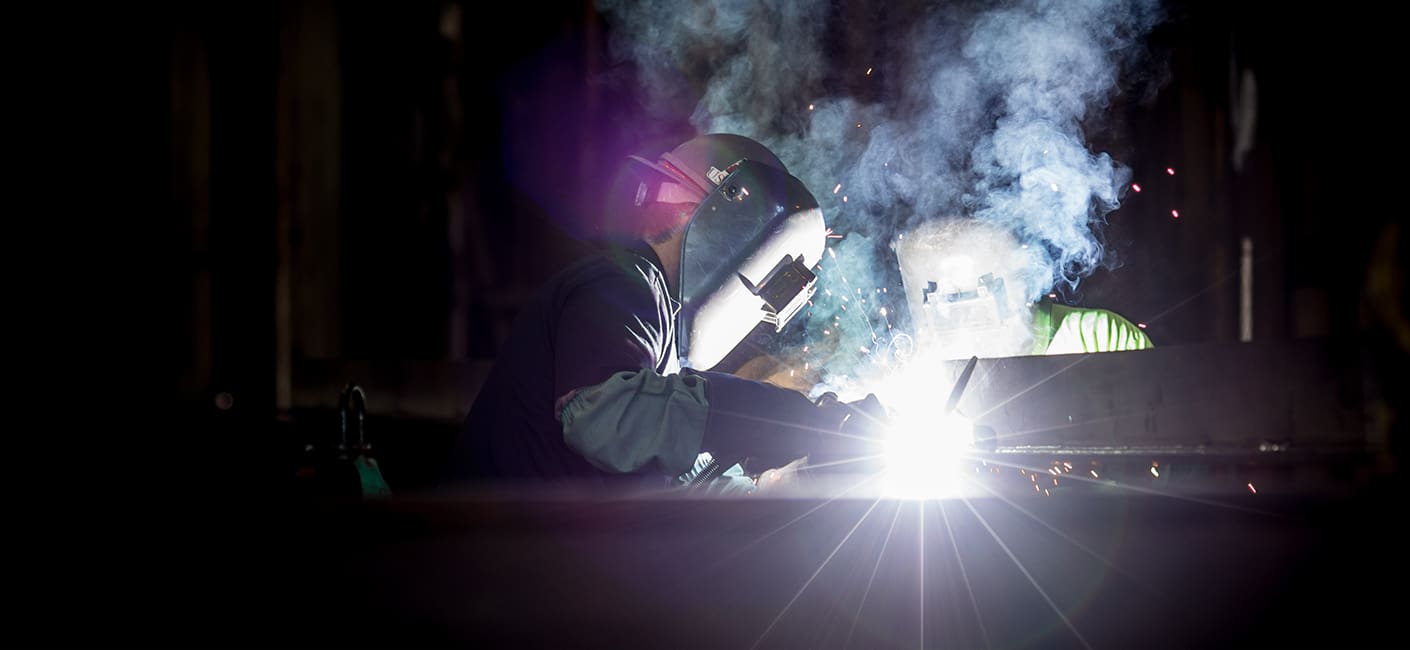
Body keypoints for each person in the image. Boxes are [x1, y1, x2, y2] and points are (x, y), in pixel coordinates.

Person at [443, 133, 885, 493]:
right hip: (496, 568)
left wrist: (807, 475)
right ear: (730, 219)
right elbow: (607, 419)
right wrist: (791, 418)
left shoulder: (666, 348)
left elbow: (689, 497)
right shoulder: (623, 282)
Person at [893, 217, 1152, 361]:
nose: (963, 318)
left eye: (972, 301)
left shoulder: (1096, 336)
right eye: (945, 305)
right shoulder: (924, 361)